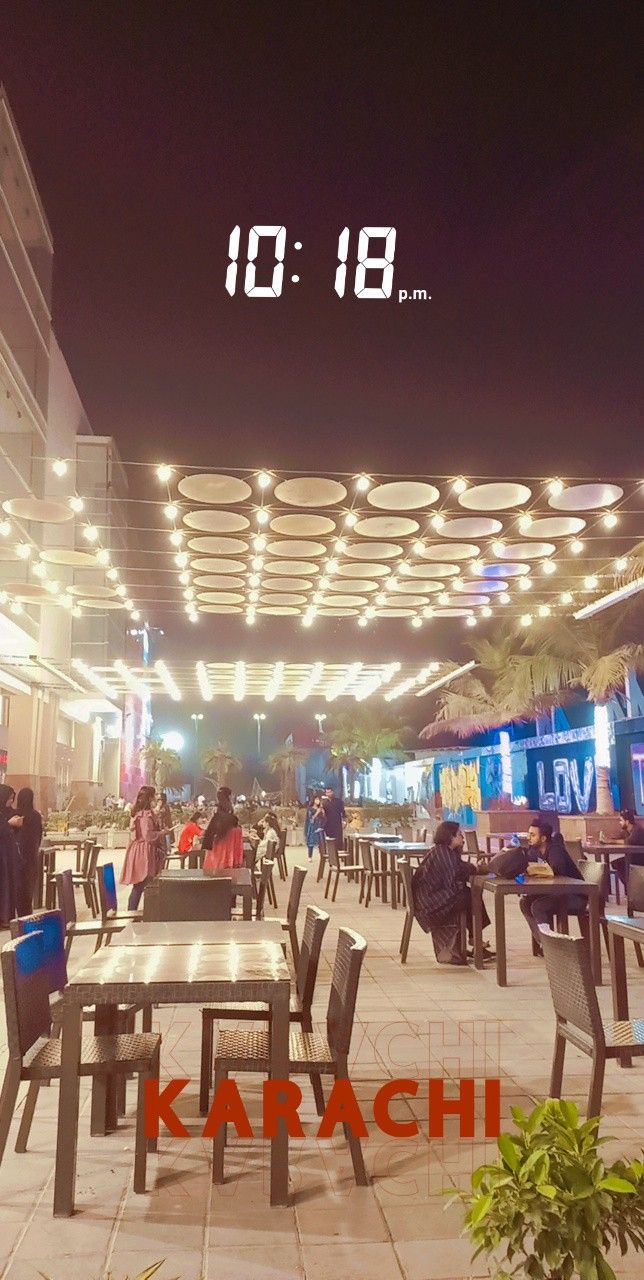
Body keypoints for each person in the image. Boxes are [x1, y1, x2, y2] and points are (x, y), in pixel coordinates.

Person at [411, 820, 493, 965]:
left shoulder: (443, 851)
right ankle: (476, 940)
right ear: (451, 837)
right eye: (459, 835)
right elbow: (455, 875)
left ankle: (475, 939)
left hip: (431, 899)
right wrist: (474, 868)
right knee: (469, 896)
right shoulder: (443, 853)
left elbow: (459, 868)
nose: (462, 838)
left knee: (468, 894)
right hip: (429, 904)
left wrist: (472, 868)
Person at [519, 819, 586, 951]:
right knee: (525, 902)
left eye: (533, 835)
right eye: (529, 834)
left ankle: (551, 946)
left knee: (539, 906)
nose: (529, 838)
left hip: (575, 896)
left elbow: (556, 871)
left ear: (543, 838)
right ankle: (545, 943)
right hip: (555, 893)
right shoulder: (534, 851)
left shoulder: (555, 849)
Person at [120, 786, 166, 910]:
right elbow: (148, 836)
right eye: (154, 795)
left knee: (140, 885)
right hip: (144, 852)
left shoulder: (138, 813)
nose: (156, 798)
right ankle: (135, 913)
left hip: (138, 850)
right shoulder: (145, 816)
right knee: (142, 884)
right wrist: (162, 833)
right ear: (150, 797)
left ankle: (134, 912)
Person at [8, 787, 43, 915]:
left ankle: (17, 917)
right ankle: (27, 916)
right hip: (31, 859)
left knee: (17, 890)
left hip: (16, 859)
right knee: (28, 891)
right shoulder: (36, 816)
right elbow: (39, 837)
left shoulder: (14, 816)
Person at [202, 786, 243, 870]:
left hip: (217, 862)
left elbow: (209, 838)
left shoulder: (218, 818)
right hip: (230, 865)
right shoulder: (233, 822)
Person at [0, 783, 22, 926]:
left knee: (7, 885)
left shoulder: (4, 812)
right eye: (8, 799)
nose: (10, 802)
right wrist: (9, 824)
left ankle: (6, 916)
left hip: (6, 855)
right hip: (2, 856)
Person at [613, 808, 644, 886]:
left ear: (627, 821)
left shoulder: (637, 830)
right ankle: (629, 887)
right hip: (634, 857)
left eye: (621, 820)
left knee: (620, 864)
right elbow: (617, 838)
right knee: (616, 863)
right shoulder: (626, 831)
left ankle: (630, 887)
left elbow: (628, 842)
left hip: (640, 859)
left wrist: (609, 841)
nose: (620, 823)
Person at [304, 793, 325, 861]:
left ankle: (323, 855)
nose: (318, 801)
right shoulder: (310, 809)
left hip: (319, 826)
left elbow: (324, 819)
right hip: (312, 827)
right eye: (316, 799)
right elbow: (311, 819)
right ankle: (310, 856)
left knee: (321, 842)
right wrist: (317, 812)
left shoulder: (321, 808)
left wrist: (323, 813)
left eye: (319, 799)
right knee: (311, 842)